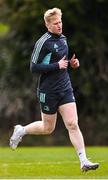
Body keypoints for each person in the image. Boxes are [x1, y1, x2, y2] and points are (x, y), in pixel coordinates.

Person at [9, 7, 99, 172]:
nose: (59, 25)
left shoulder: (63, 38)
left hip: (65, 87)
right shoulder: (42, 42)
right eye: (56, 23)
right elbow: (34, 67)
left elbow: (63, 62)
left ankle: (84, 161)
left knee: (72, 123)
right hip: (47, 90)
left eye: (60, 22)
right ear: (48, 25)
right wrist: (56, 66)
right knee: (47, 128)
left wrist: (72, 64)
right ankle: (21, 130)